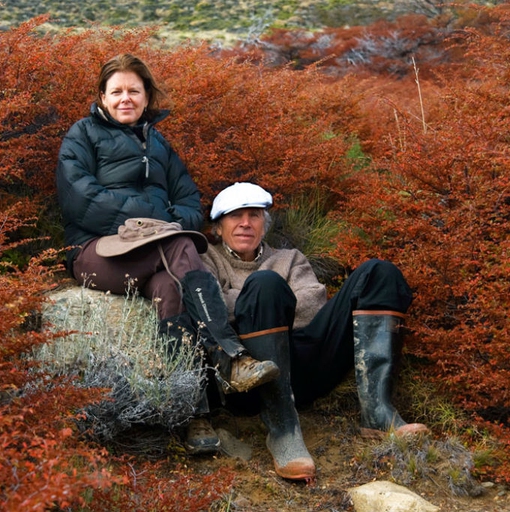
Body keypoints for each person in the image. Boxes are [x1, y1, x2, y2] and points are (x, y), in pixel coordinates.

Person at [55, 55, 280, 453]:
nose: (126, 98)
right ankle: (230, 356)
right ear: (102, 97)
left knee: (170, 287)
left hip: (152, 252)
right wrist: (154, 219)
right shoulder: (82, 135)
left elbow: (191, 202)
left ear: (146, 97)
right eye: (116, 91)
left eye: (134, 91)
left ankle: (193, 412)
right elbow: (80, 199)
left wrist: (169, 220)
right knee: (179, 245)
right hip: (98, 251)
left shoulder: (159, 144)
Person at [199, 182, 430, 482]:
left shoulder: (290, 258)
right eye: (235, 216)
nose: (246, 223)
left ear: (264, 224)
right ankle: (283, 430)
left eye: (254, 215)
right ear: (218, 227)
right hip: (247, 381)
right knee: (266, 285)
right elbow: (211, 310)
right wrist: (264, 299)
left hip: (304, 366)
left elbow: (313, 305)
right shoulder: (205, 259)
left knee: (379, 272)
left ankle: (378, 412)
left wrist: (258, 306)